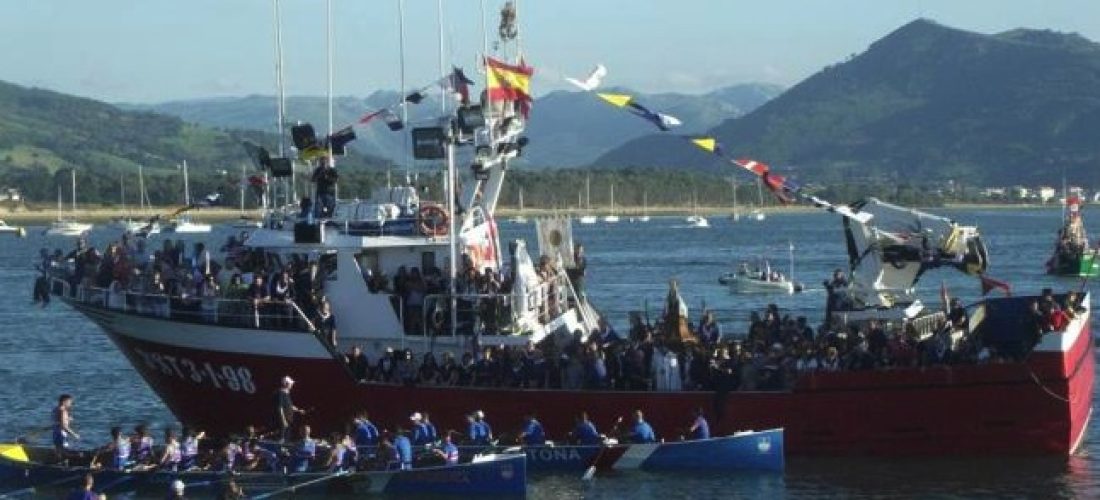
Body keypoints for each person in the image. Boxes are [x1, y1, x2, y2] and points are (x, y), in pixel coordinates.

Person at [275, 376, 304, 442]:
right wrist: (283, 420)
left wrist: (299, 410)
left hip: (288, 421)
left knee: (287, 439)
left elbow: (289, 406)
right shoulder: (280, 393)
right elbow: (280, 408)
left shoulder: (287, 394)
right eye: (290, 383)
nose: (292, 385)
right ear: (286, 384)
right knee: (281, 439)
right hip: (283, 422)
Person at [52, 394, 80, 460]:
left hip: (55, 433)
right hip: (61, 434)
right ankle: (63, 465)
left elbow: (57, 420)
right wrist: (74, 434)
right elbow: (64, 426)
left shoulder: (55, 409)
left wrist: (67, 418)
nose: (70, 404)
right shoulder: (63, 411)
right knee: (64, 451)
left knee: (59, 450)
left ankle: (57, 462)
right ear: (64, 402)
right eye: (69, 402)